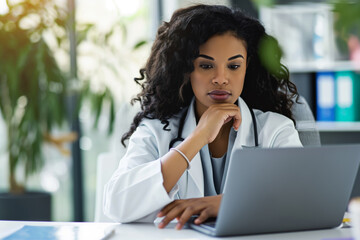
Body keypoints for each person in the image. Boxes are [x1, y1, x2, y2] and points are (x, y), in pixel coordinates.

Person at [104, 4, 302, 230]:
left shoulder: (275, 130)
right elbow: (117, 205)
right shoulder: (156, 130)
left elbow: (302, 201)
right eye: (206, 66)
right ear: (186, 70)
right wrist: (197, 138)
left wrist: (225, 203)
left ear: (248, 68)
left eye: (234, 66)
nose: (221, 78)